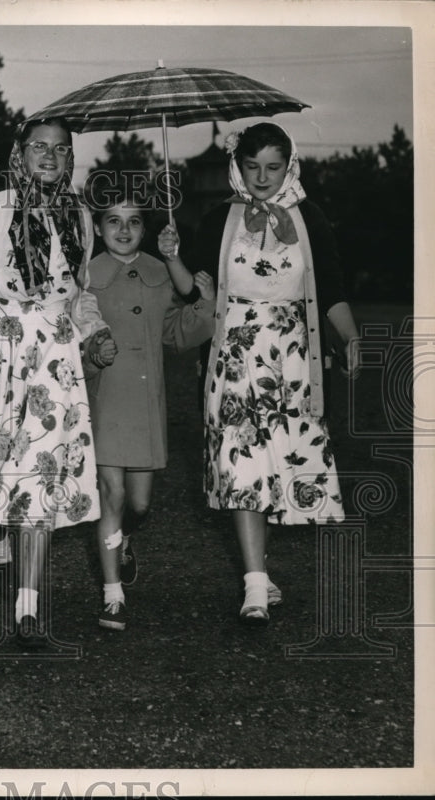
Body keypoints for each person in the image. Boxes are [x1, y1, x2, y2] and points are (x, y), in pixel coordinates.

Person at [0, 117, 116, 648]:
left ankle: (27, 609)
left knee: (41, 473)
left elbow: (81, 292)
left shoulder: (78, 212)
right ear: (21, 152)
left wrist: (94, 329)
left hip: (54, 356)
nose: (51, 157)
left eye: (61, 149)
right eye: (40, 148)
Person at [169, 122, 361, 625]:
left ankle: (260, 572)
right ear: (238, 165)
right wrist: (173, 256)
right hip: (232, 355)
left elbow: (334, 285)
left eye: (273, 167)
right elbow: (194, 291)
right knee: (241, 464)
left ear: (290, 165)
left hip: (292, 360)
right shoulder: (218, 219)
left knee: (279, 464)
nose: (262, 177)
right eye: (252, 166)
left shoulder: (309, 217)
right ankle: (255, 582)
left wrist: (350, 336)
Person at [83, 193, 215, 632]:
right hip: (102, 399)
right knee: (111, 495)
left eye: (134, 222)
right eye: (113, 222)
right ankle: (112, 594)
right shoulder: (85, 275)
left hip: (144, 403)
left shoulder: (162, 274)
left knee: (138, 503)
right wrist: (92, 352)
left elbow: (178, 334)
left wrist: (205, 306)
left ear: (146, 229)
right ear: (98, 229)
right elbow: (72, 338)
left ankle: (125, 539)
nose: (123, 231)